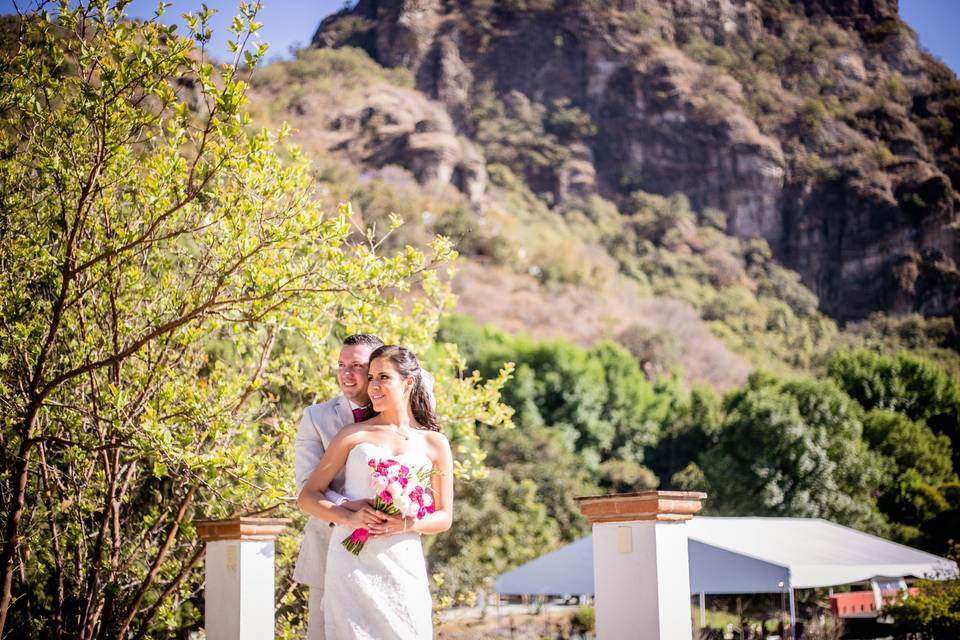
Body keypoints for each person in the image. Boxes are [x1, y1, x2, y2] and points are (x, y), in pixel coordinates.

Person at [299, 345, 454, 640]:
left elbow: (444, 516)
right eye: (371, 378)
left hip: (402, 560)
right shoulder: (353, 434)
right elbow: (308, 496)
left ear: (408, 382)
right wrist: (350, 518)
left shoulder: (435, 443)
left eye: (384, 377)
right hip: (351, 563)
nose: (373, 387)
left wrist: (406, 523)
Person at [294, 333, 399, 640]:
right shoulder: (316, 417)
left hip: (387, 551)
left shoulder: (406, 422)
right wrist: (349, 510)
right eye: (341, 365)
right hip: (329, 547)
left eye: (356, 365)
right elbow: (306, 487)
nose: (346, 374)